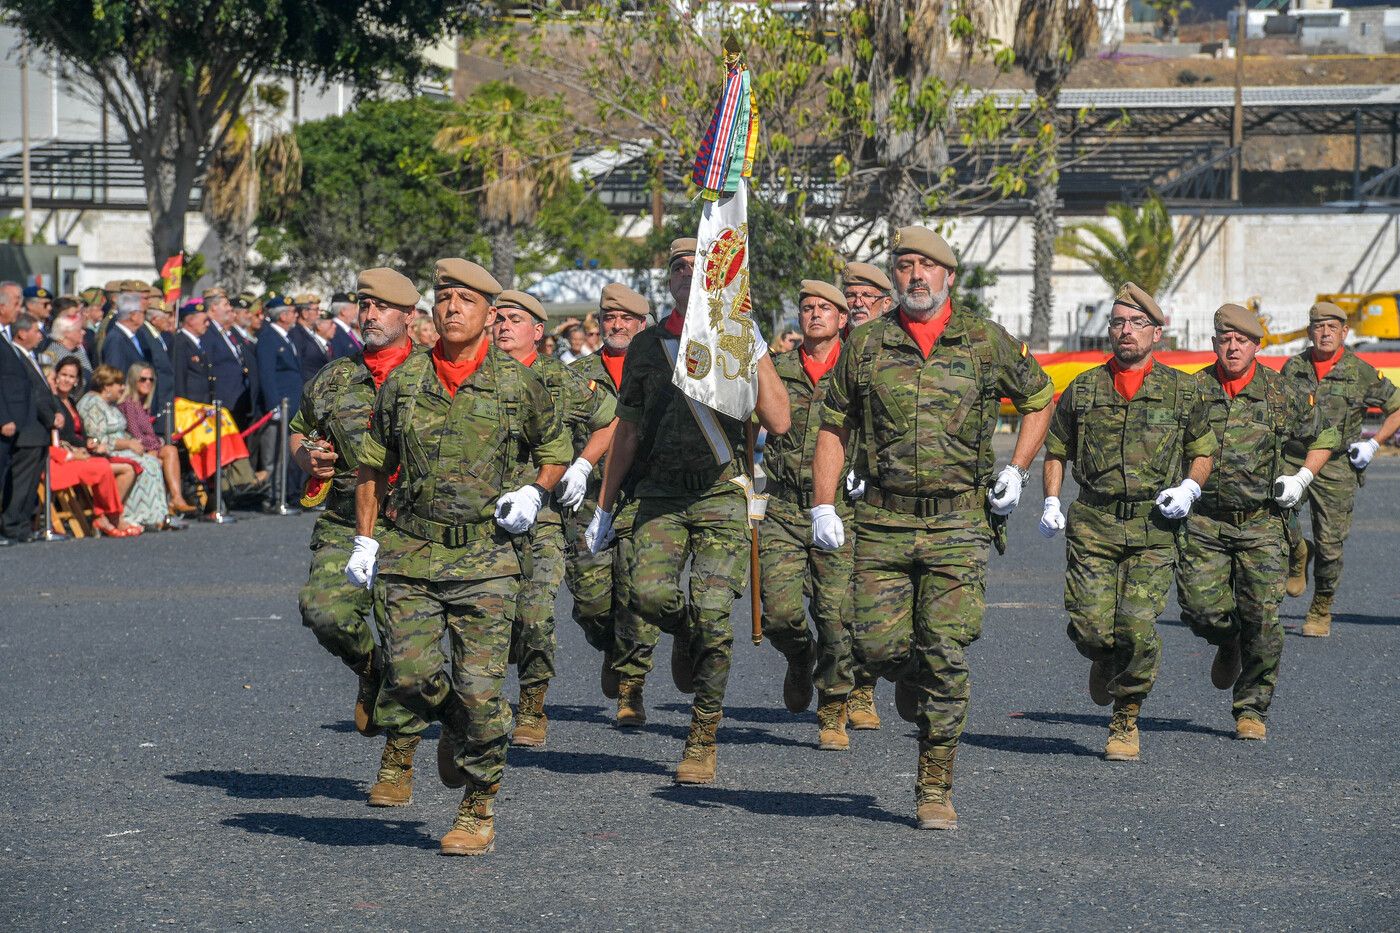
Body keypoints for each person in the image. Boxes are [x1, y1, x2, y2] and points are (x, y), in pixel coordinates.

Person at [810, 226, 1054, 830]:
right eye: (904, 266)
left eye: (926, 266)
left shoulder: (983, 341)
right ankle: (908, 672)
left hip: (957, 524)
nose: (914, 276)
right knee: (873, 645)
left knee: (946, 652)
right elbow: (833, 428)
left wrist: (1019, 471)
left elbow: (1041, 397)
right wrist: (822, 505)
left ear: (949, 276)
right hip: (884, 520)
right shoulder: (866, 345)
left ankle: (934, 784)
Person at [346, 258, 571, 856]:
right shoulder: (405, 381)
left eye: (465, 301)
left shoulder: (518, 384)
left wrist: (535, 490)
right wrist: (365, 539)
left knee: (479, 690)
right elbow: (373, 461)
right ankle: (454, 729)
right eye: (444, 298)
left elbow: (555, 448)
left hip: (485, 558)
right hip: (410, 553)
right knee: (412, 678)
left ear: (488, 314)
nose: (452, 309)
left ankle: (477, 805)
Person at [586, 237, 791, 783]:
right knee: (645, 596)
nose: (685, 274)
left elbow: (779, 420)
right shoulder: (648, 347)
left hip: (721, 491)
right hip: (659, 495)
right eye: (677, 267)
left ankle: (702, 734)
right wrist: (605, 510)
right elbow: (626, 429)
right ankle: (687, 631)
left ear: (714, 278)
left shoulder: (735, 337)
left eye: (696, 266)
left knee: (714, 613)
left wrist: (753, 344)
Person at [1040, 282, 1216, 764]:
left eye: (1136, 323)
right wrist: (1051, 500)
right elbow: (1056, 449)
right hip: (1094, 522)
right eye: (1117, 322)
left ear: (1157, 333)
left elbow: (1203, 450)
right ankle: (1104, 657)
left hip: (1153, 527)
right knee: (1091, 627)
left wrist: (1190, 488)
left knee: (1137, 625)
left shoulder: (1182, 391)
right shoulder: (1084, 387)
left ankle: (1125, 717)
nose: (1125, 331)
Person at [288, 267, 429, 808]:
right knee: (323, 611)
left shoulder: (431, 376)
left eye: (381, 307)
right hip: (347, 520)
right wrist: (309, 456)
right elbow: (302, 428)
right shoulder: (335, 377)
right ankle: (370, 671)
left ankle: (398, 762)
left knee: (410, 648)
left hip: (414, 530)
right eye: (363, 305)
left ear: (409, 317)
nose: (369, 315)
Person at [1175, 304, 1337, 741]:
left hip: (1263, 523)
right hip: (1205, 521)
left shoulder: (1280, 392)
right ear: (1214, 344)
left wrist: (1301, 477)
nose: (1232, 347)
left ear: (1256, 346)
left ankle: (1252, 709)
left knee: (1264, 618)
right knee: (1199, 610)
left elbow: (1325, 436)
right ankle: (1228, 641)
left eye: (1241, 340)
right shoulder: (1191, 391)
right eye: (1225, 339)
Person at [491, 289, 616, 747]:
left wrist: (582, 464)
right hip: (485, 517)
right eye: (498, 319)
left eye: (514, 319)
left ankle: (531, 703)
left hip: (542, 516)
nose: (503, 326)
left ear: (538, 331)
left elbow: (611, 419)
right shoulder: (474, 375)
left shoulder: (557, 379)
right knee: (485, 617)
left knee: (536, 612)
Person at [761, 279, 880, 750]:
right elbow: (751, 420)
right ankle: (798, 654)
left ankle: (833, 706)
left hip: (841, 509)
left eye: (824, 308)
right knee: (779, 614)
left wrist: (867, 471)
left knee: (836, 616)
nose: (814, 315)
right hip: (785, 507)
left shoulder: (859, 370)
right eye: (806, 307)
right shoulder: (775, 369)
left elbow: (881, 428)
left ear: (842, 318)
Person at [1280, 300, 1400, 637]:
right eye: (1319, 327)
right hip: (1294, 456)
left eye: (1332, 327)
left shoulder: (1360, 371)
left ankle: (1321, 608)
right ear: (1309, 332)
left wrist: (1374, 443)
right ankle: (1298, 551)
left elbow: (1397, 407)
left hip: (1336, 466)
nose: (1325, 333)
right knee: (1275, 517)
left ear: (1344, 332)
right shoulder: (1293, 368)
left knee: (1331, 544)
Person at [557, 283, 647, 715]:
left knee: (637, 594)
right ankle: (611, 647)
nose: (617, 324)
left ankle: (632, 685)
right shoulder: (577, 373)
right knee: (591, 601)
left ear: (642, 324)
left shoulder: (660, 369)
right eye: (610, 318)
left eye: (626, 318)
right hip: (589, 499)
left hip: (642, 497)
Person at [48, 355, 142, 537]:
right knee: (121, 468)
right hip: (64, 456)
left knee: (130, 467)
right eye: (63, 375)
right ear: (56, 376)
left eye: (71, 377)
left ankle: (111, 516)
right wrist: (85, 446)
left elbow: (81, 435)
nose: (66, 380)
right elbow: (64, 436)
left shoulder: (72, 402)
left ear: (76, 381)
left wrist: (91, 444)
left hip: (82, 450)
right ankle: (109, 516)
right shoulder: (53, 402)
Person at [78, 365, 176, 531]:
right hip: (105, 452)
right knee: (146, 465)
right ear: (107, 386)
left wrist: (135, 443)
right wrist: (128, 444)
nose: (123, 388)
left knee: (152, 461)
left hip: (121, 448)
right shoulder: (93, 404)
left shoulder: (108, 404)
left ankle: (156, 516)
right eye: (119, 384)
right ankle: (129, 516)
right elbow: (98, 440)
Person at [1, 314, 61, 543]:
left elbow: (45, 390)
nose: (40, 335)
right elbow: (33, 394)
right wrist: (50, 417)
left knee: (31, 482)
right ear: (22, 333)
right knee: (21, 484)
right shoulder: (16, 355)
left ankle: (24, 525)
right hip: (28, 428)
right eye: (36, 331)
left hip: (39, 429)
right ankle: (13, 525)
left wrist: (57, 412)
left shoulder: (32, 355)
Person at [118, 362, 197, 515]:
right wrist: (158, 443)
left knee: (170, 450)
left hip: (146, 448)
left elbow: (149, 436)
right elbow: (136, 435)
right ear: (134, 380)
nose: (147, 382)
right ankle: (165, 504)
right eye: (143, 379)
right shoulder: (128, 403)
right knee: (162, 454)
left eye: (151, 379)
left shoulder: (142, 404)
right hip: (131, 448)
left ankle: (176, 498)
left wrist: (157, 443)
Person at [256, 295, 305, 505]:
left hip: (291, 404)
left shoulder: (286, 337)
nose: (296, 315)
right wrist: (273, 405)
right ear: (283, 315)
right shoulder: (269, 338)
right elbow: (266, 374)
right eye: (293, 312)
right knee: (274, 454)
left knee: (285, 453)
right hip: (279, 406)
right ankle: (272, 496)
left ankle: (281, 494)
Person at [201, 290, 254, 426]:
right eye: (226, 305)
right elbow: (209, 366)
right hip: (223, 400)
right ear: (213, 307)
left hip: (236, 399)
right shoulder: (208, 331)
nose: (230, 309)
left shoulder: (224, 331)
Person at [172, 301, 214, 403]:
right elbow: (179, 379)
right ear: (191, 320)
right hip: (190, 406)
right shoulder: (180, 343)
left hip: (202, 404)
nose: (208, 324)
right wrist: (183, 405)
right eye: (204, 321)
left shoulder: (199, 343)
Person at [39, 314, 94, 382]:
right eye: (79, 330)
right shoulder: (48, 354)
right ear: (67, 333)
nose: (84, 332)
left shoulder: (78, 350)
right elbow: (45, 380)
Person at [841, 262, 894, 331]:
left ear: (886, 303)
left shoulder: (902, 339)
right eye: (851, 296)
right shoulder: (830, 339)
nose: (858, 304)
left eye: (867, 296)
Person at [291, 293, 331, 383]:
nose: (319, 313)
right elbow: (300, 366)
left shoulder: (310, 333)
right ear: (305, 313)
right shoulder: (297, 335)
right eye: (316, 310)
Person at [326, 292, 362, 358]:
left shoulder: (348, 331)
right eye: (353, 308)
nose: (356, 312)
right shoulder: (334, 332)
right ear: (343, 311)